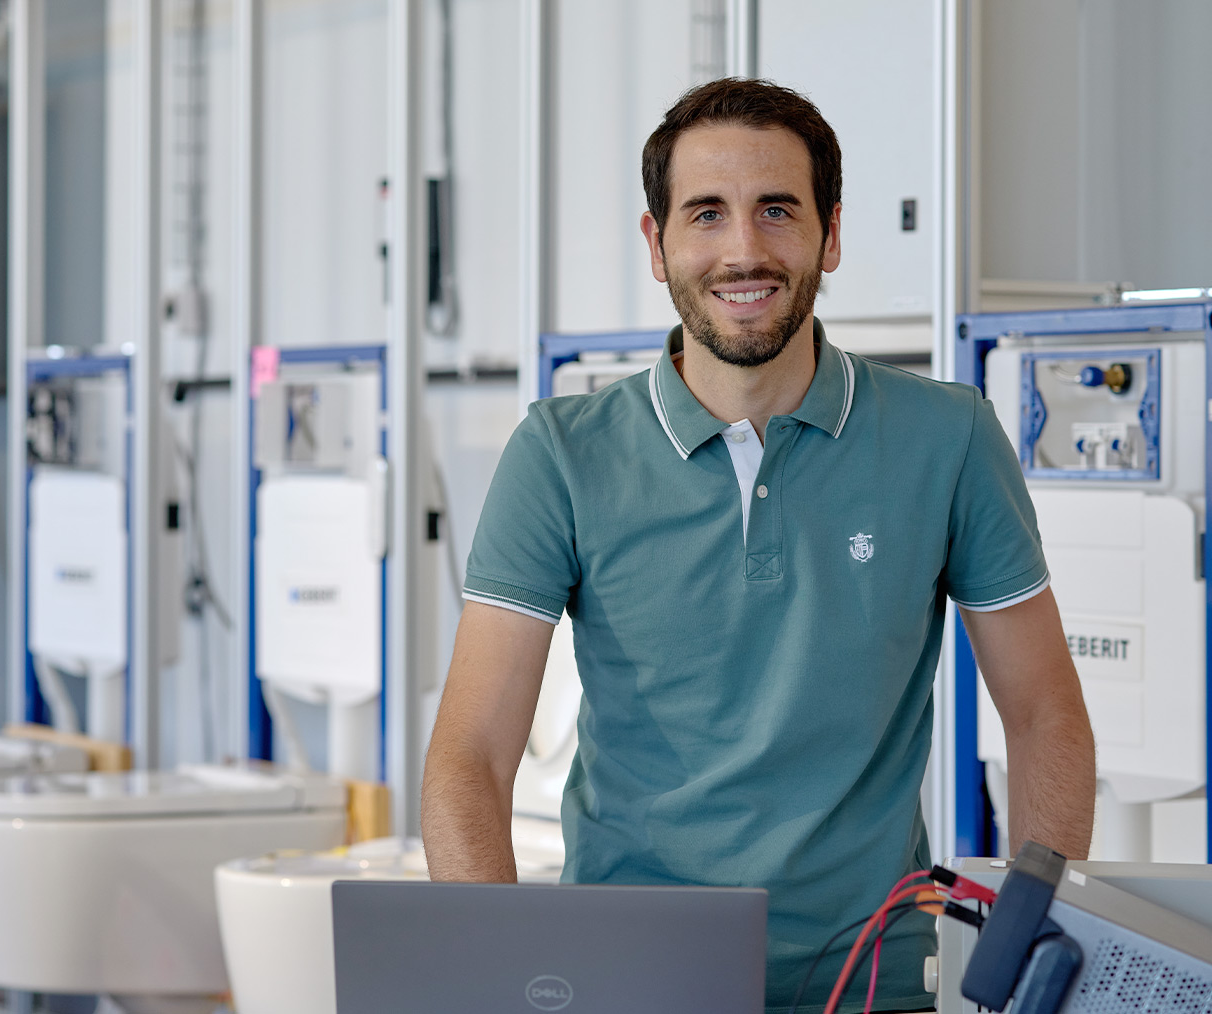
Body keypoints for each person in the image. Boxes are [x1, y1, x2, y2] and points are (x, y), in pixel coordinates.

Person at [420, 78, 1095, 1012]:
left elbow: (1045, 714)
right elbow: (471, 756)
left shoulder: (951, 439)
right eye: (707, 214)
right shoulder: (561, 454)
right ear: (657, 245)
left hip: (874, 987)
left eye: (778, 210)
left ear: (831, 233)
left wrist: (1032, 958)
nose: (744, 250)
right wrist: (497, 984)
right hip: (625, 985)